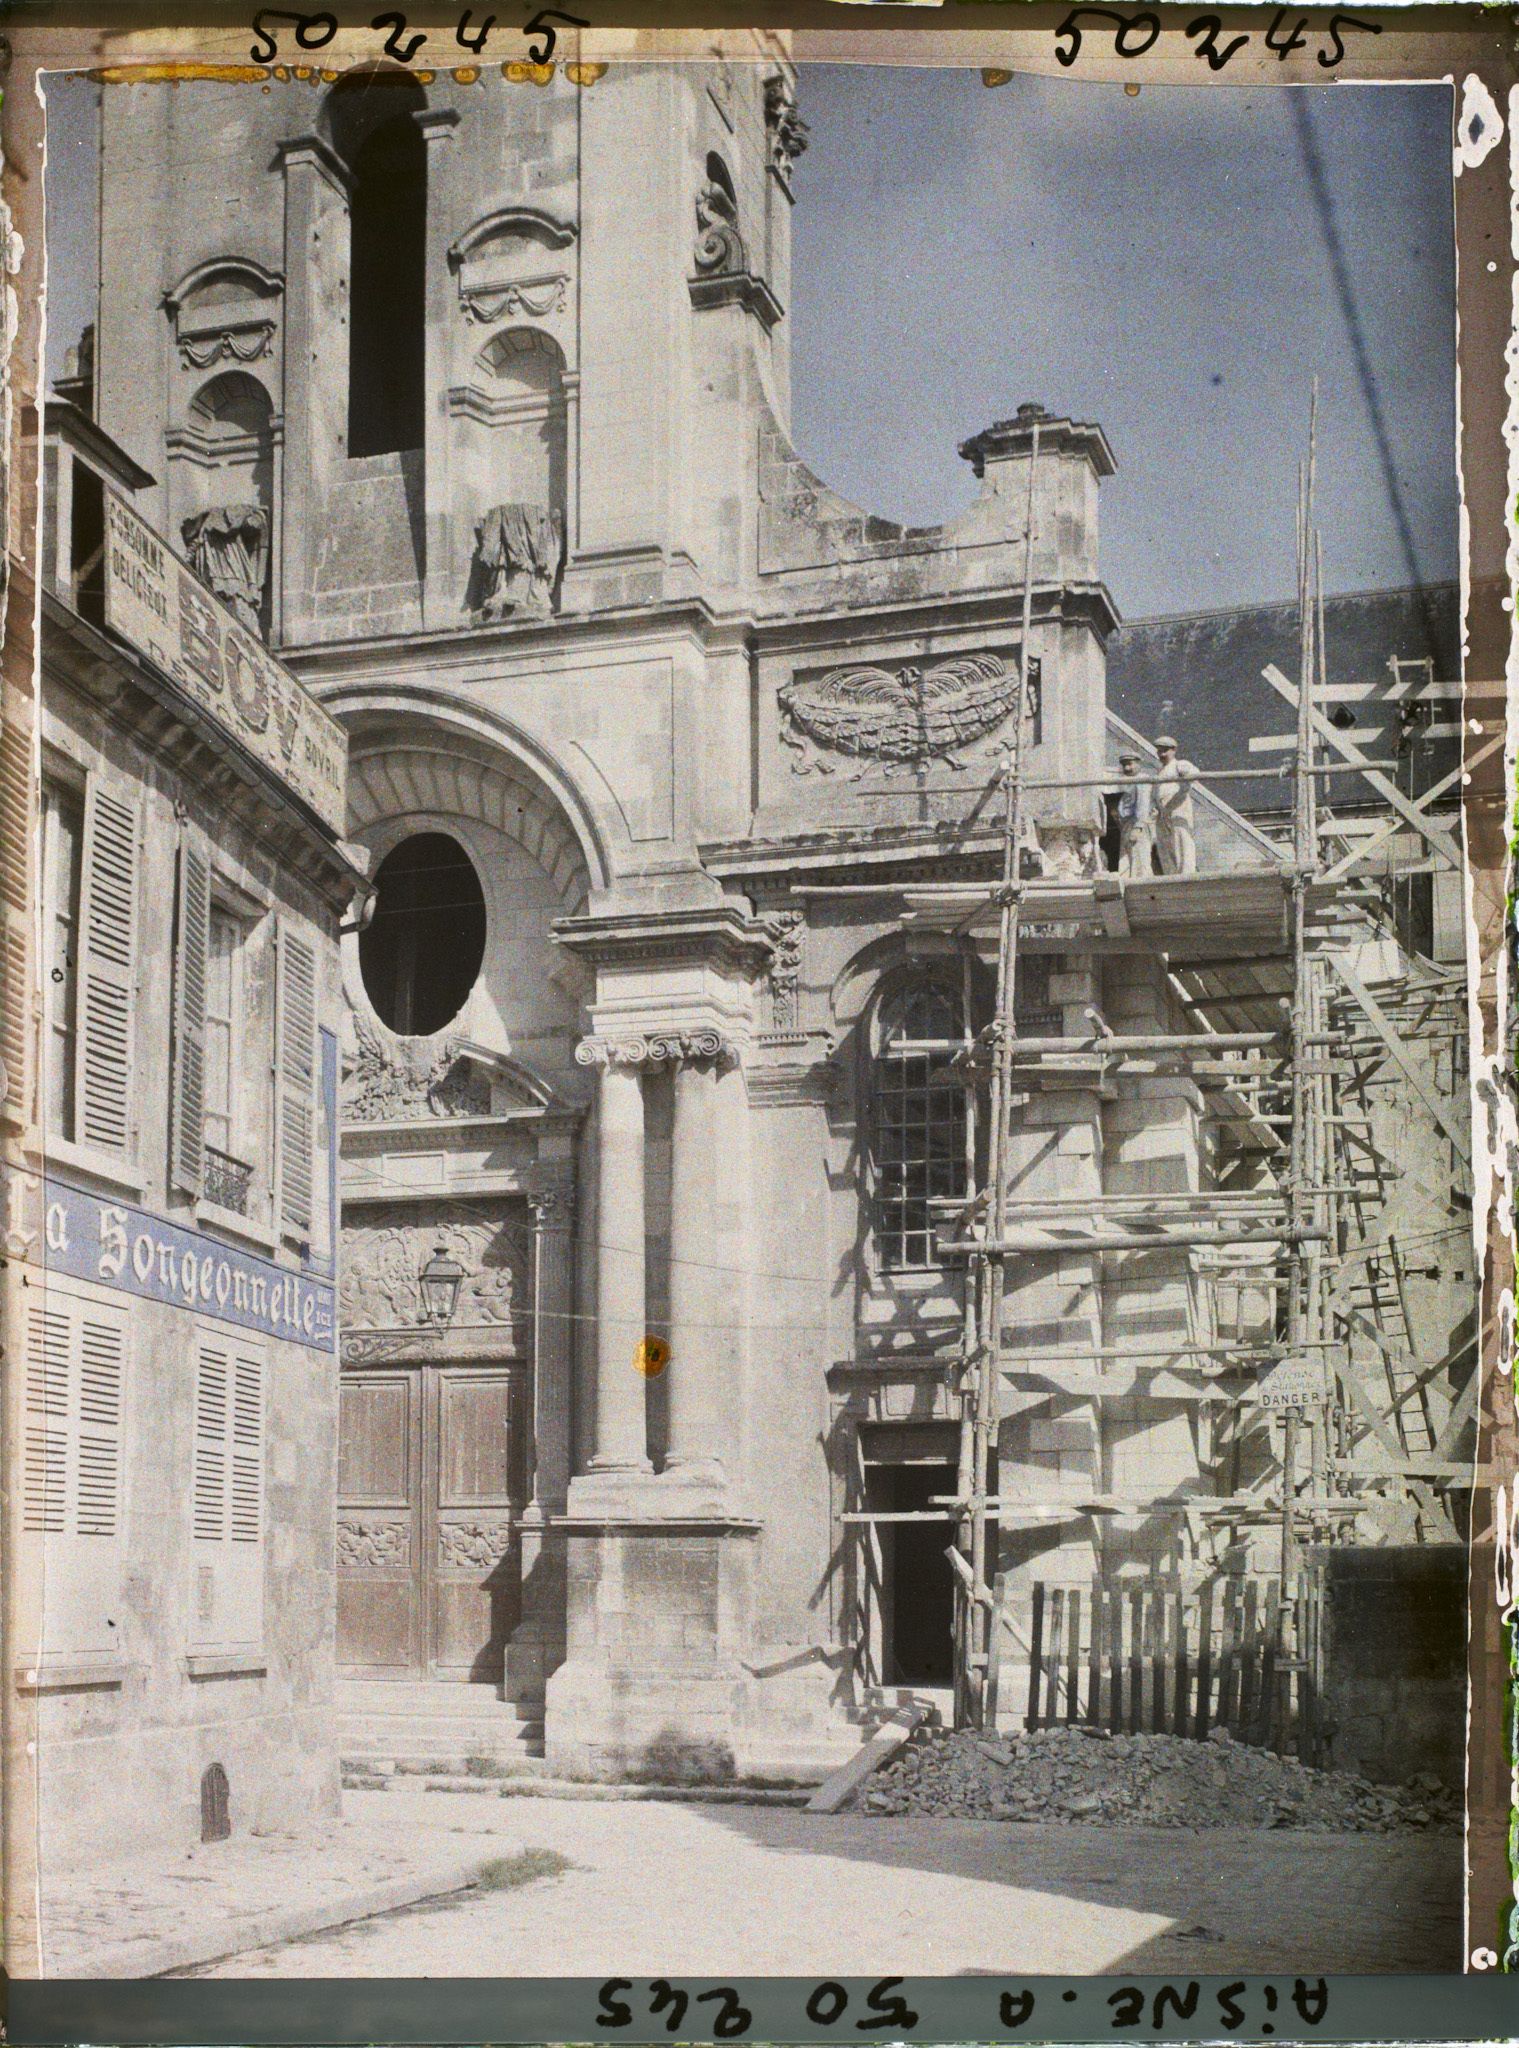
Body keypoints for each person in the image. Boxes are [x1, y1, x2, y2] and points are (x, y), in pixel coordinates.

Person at [1153, 733, 1199, 875]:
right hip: (1163, 812)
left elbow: (1194, 774)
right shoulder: (1160, 771)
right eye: (1159, 751)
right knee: (1166, 846)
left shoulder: (1180, 764)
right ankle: (1171, 876)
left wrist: (1185, 777)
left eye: (1165, 750)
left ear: (1173, 750)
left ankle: (1186, 875)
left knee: (1181, 842)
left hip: (1178, 808)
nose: (1161, 754)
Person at [1115, 752, 1154, 877]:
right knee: (1125, 860)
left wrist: (1138, 827)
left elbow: (1143, 804)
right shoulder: (1126, 781)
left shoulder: (1142, 779)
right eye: (1124, 765)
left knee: (1139, 860)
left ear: (1138, 764)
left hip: (1137, 824)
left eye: (1130, 764)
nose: (1126, 768)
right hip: (1126, 824)